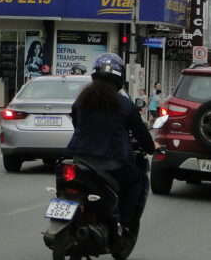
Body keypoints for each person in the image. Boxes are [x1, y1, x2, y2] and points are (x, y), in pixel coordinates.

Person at [66, 53, 155, 234]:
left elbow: (77, 125)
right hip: (110, 163)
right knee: (135, 181)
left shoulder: (81, 101)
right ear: (119, 79)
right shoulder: (125, 104)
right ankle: (124, 226)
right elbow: (141, 132)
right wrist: (152, 148)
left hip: (79, 158)